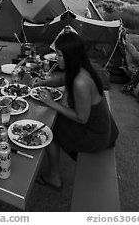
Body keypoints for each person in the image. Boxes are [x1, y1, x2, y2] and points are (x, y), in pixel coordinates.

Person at [37, 31, 119, 190]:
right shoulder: (79, 67)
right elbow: (62, 78)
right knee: (53, 118)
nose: (56, 58)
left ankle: (54, 177)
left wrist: (51, 103)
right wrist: (44, 82)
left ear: (70, 56)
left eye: (59, 55)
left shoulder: (80, 82)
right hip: (101, 125)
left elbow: (82, 118)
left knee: (48, 128)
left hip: (95, 135)